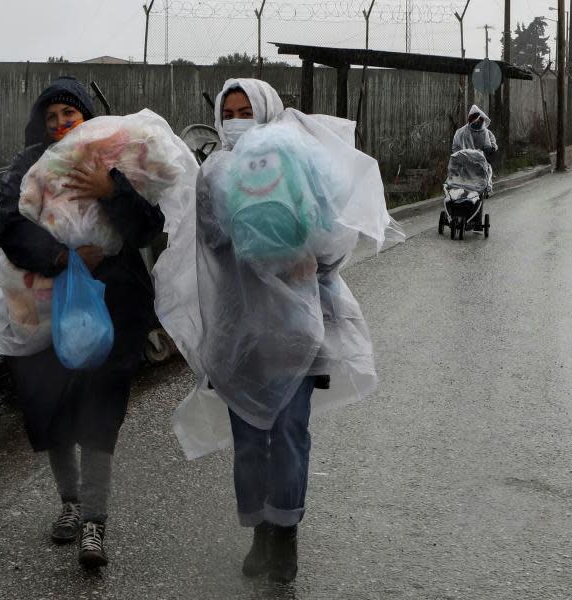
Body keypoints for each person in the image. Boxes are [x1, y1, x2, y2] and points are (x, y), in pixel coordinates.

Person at [156, 79, 396, 584]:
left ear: (266, 110)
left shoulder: (299, 158)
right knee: (248, 439)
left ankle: (284, 533)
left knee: (288, 433)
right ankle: (259, 529)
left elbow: (333, 240)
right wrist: (252, 234)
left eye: (247, 109)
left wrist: (308, 256)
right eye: (231, 111)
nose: (239, 120)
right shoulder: (214, 174)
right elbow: (210, 245)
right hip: (239, 331)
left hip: (296, 329)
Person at [0, 76, 164, 569]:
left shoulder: (116, 158)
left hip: (113, 304)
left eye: (70, 114)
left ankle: (95, 521)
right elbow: (8, 224)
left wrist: (111, 189)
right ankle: (69, 503)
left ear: (88, 118)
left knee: (99, 411)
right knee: (52, 408)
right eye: (51, 118)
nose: (61, 123)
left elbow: (149, 226)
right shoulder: (28, 165)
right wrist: (64, 258)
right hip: (45, 304)